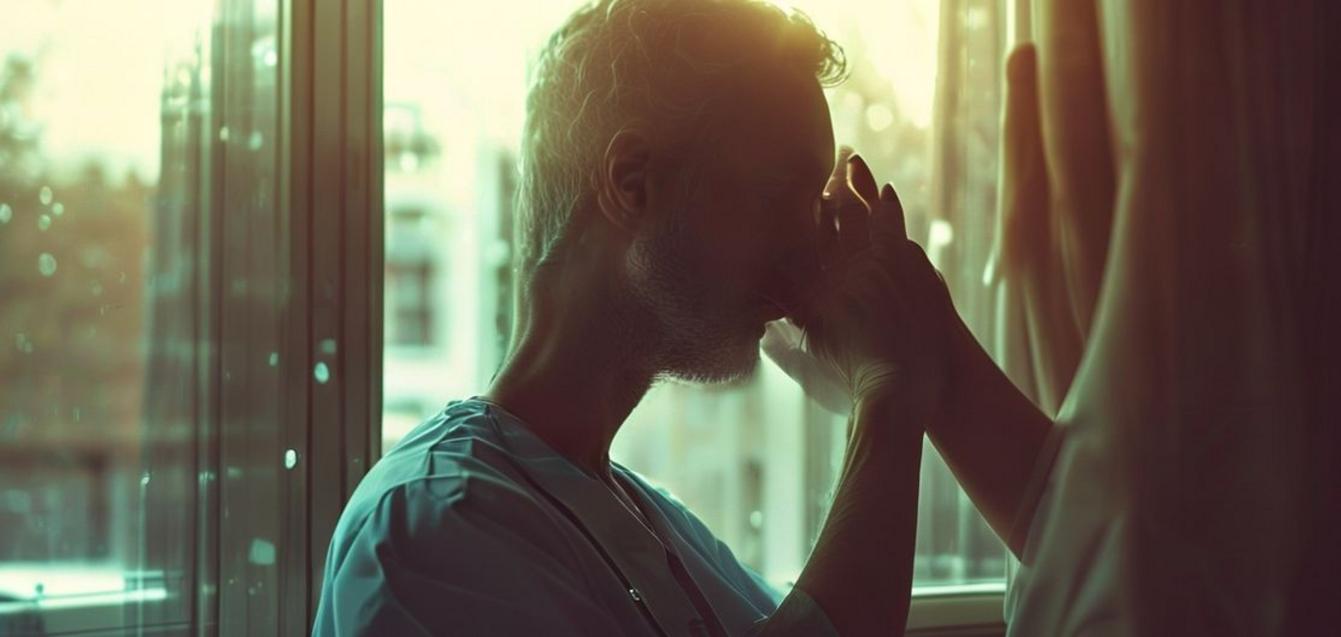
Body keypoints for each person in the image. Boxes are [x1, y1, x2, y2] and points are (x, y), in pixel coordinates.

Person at [313, 0, 1056, 634]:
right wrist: (888, 396)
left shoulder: (651, 524)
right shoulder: (433, 526)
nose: (810, 251)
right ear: (632, 182)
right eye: (781, 195)